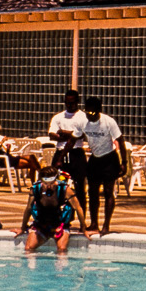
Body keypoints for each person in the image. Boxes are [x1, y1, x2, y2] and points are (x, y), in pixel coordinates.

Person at [79, 95, 124, 236]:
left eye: (92, 113)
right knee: (92, 193)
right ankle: (94, 223)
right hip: (95, 159)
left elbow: (120, 141)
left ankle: (106, 225)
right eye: (87, 112)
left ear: (99, 110)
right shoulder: (83, 122)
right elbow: (73, 138)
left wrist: (125, 163)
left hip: (109, 158)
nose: (89, 116)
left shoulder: (108, 122)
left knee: (108, 192)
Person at [47, 89, 90, 227]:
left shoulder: (83, 117)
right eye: (67, 103)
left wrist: (66, 133)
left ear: (77, 102)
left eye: (72, 103)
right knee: (54, 185)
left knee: (79, 187)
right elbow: (52, 135)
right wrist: (69, 135)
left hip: (76, 153)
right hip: (60, 153)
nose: (69, 105)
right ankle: (57, 218)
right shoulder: (59, 117)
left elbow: (83, 135)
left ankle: (81, 219)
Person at [21, 164, 77, 254]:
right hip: (41, 225)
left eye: (52, 183)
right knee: (28, 249)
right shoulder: (35, 189)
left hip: (60, 226)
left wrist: (84, 229)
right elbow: (28, 208)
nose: (49, 186)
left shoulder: (65, 189)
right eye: (46, 183)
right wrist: (22, 227)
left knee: (62, 250)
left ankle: (62, 267)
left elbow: (78, 208)